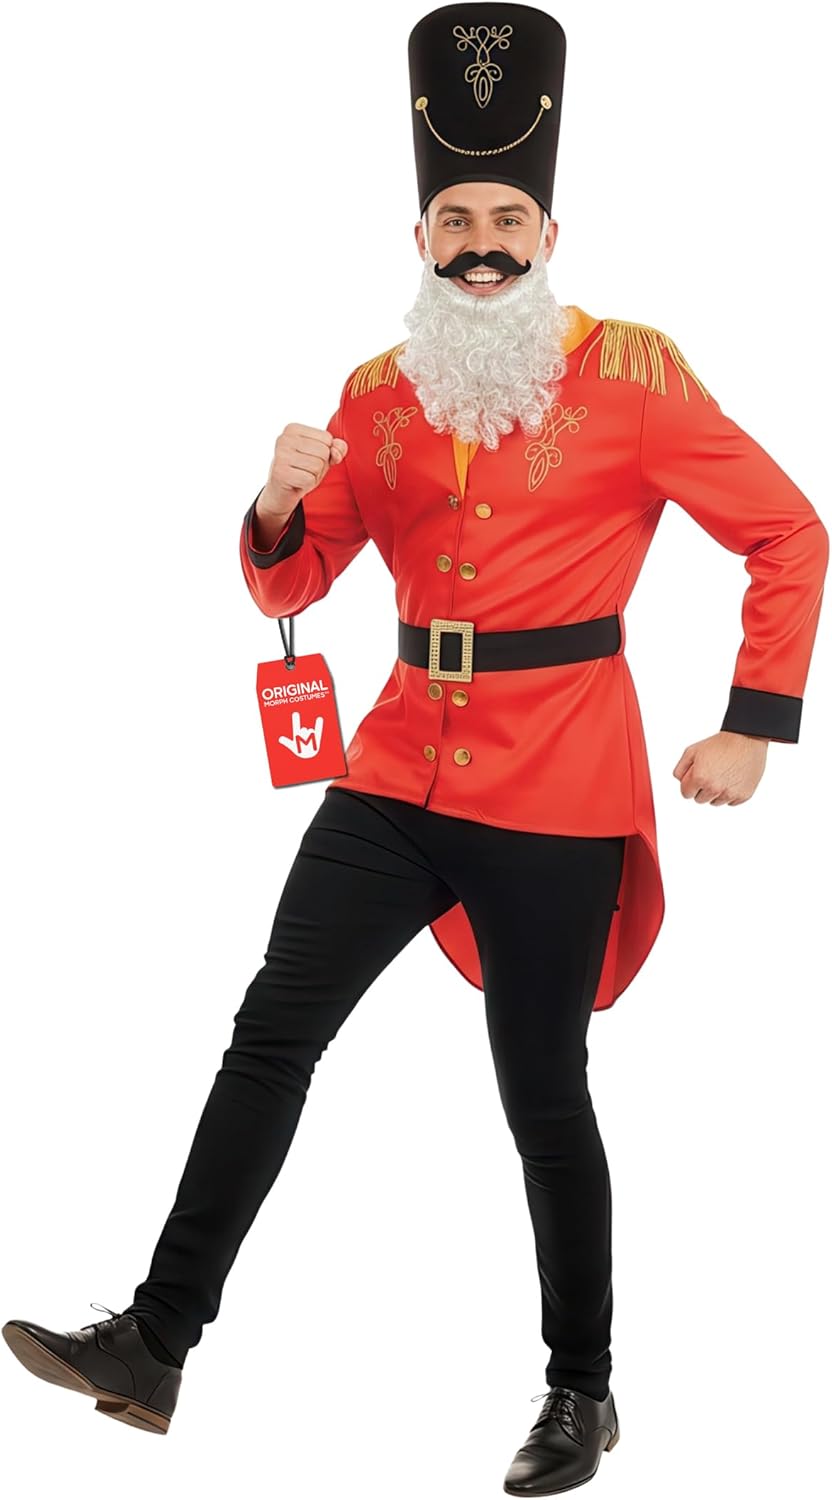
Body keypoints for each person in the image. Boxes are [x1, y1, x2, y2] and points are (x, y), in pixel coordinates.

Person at [3, 5, 827, 1494]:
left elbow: (788, 531)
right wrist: (274, 503)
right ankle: (155, 1342)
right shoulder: (377, 395)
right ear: (422, 236)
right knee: (271, 1033)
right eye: (459, 222)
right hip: (393, 774)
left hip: (560, 782)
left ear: (551, 232)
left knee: (543, 1096)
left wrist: (754, 722)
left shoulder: (638, 381)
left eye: (509, 222)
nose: (483, 246)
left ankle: (582, 1392)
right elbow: (293, 581)